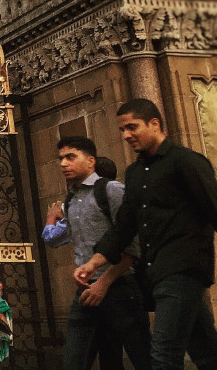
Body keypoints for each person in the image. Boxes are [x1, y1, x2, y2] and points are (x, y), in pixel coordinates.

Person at [75, 98, 217, 370]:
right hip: (156, 271)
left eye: (132, 127)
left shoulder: (186, 162)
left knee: (163, 357)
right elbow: (125, 225)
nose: (126, 135)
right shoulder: (136, 172)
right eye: (122, 129)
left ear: (155, 124)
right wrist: (94, 262)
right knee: (208, 356)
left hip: (185, 269)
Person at [42, 137, 150, 370]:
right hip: (84, 293)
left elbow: (133, 244)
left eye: (71, 157)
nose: (63, 164)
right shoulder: (71, 199)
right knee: (74, 362)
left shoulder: (111, 190)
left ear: (91, 161)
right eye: (60, 158)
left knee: (143, 359)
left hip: (119, 288)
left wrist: (104, 282)